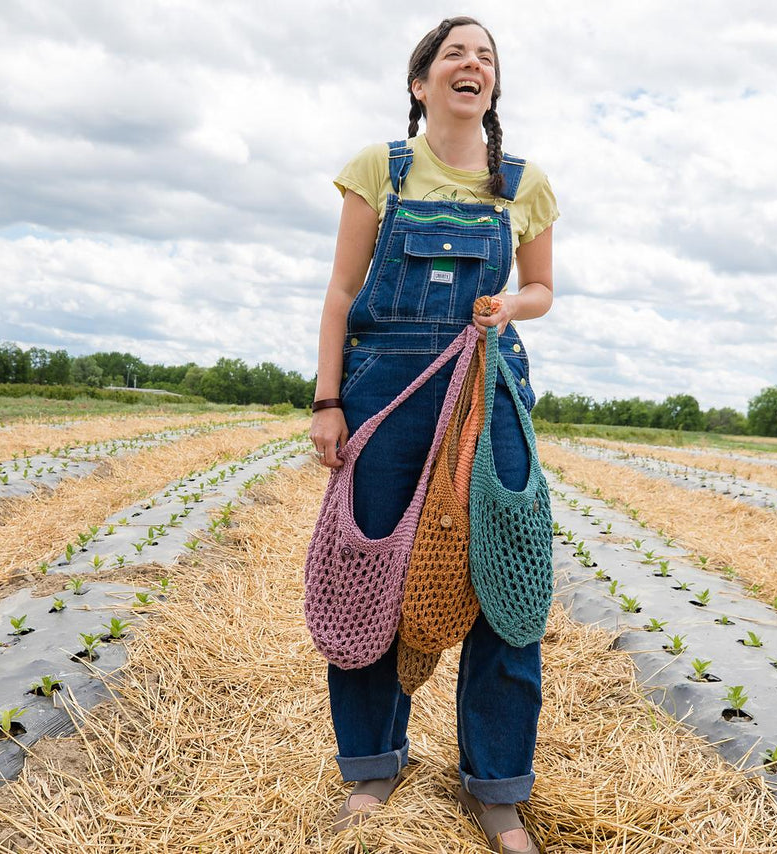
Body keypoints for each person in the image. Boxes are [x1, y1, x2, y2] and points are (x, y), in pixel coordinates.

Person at [308, 15, 558, 854]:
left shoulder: (523, 183)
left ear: (493, 87)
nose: (472, 63)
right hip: (387, 390)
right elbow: (342, 296)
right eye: (456, 53)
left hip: (489, 393)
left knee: (506, 581)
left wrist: (513, 305)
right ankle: (373, 768)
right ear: (421, 83)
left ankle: (496, 789)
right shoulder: (380, 168)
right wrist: (327, 401)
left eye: (485, 56)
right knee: (370, 574)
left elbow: (544, 289)